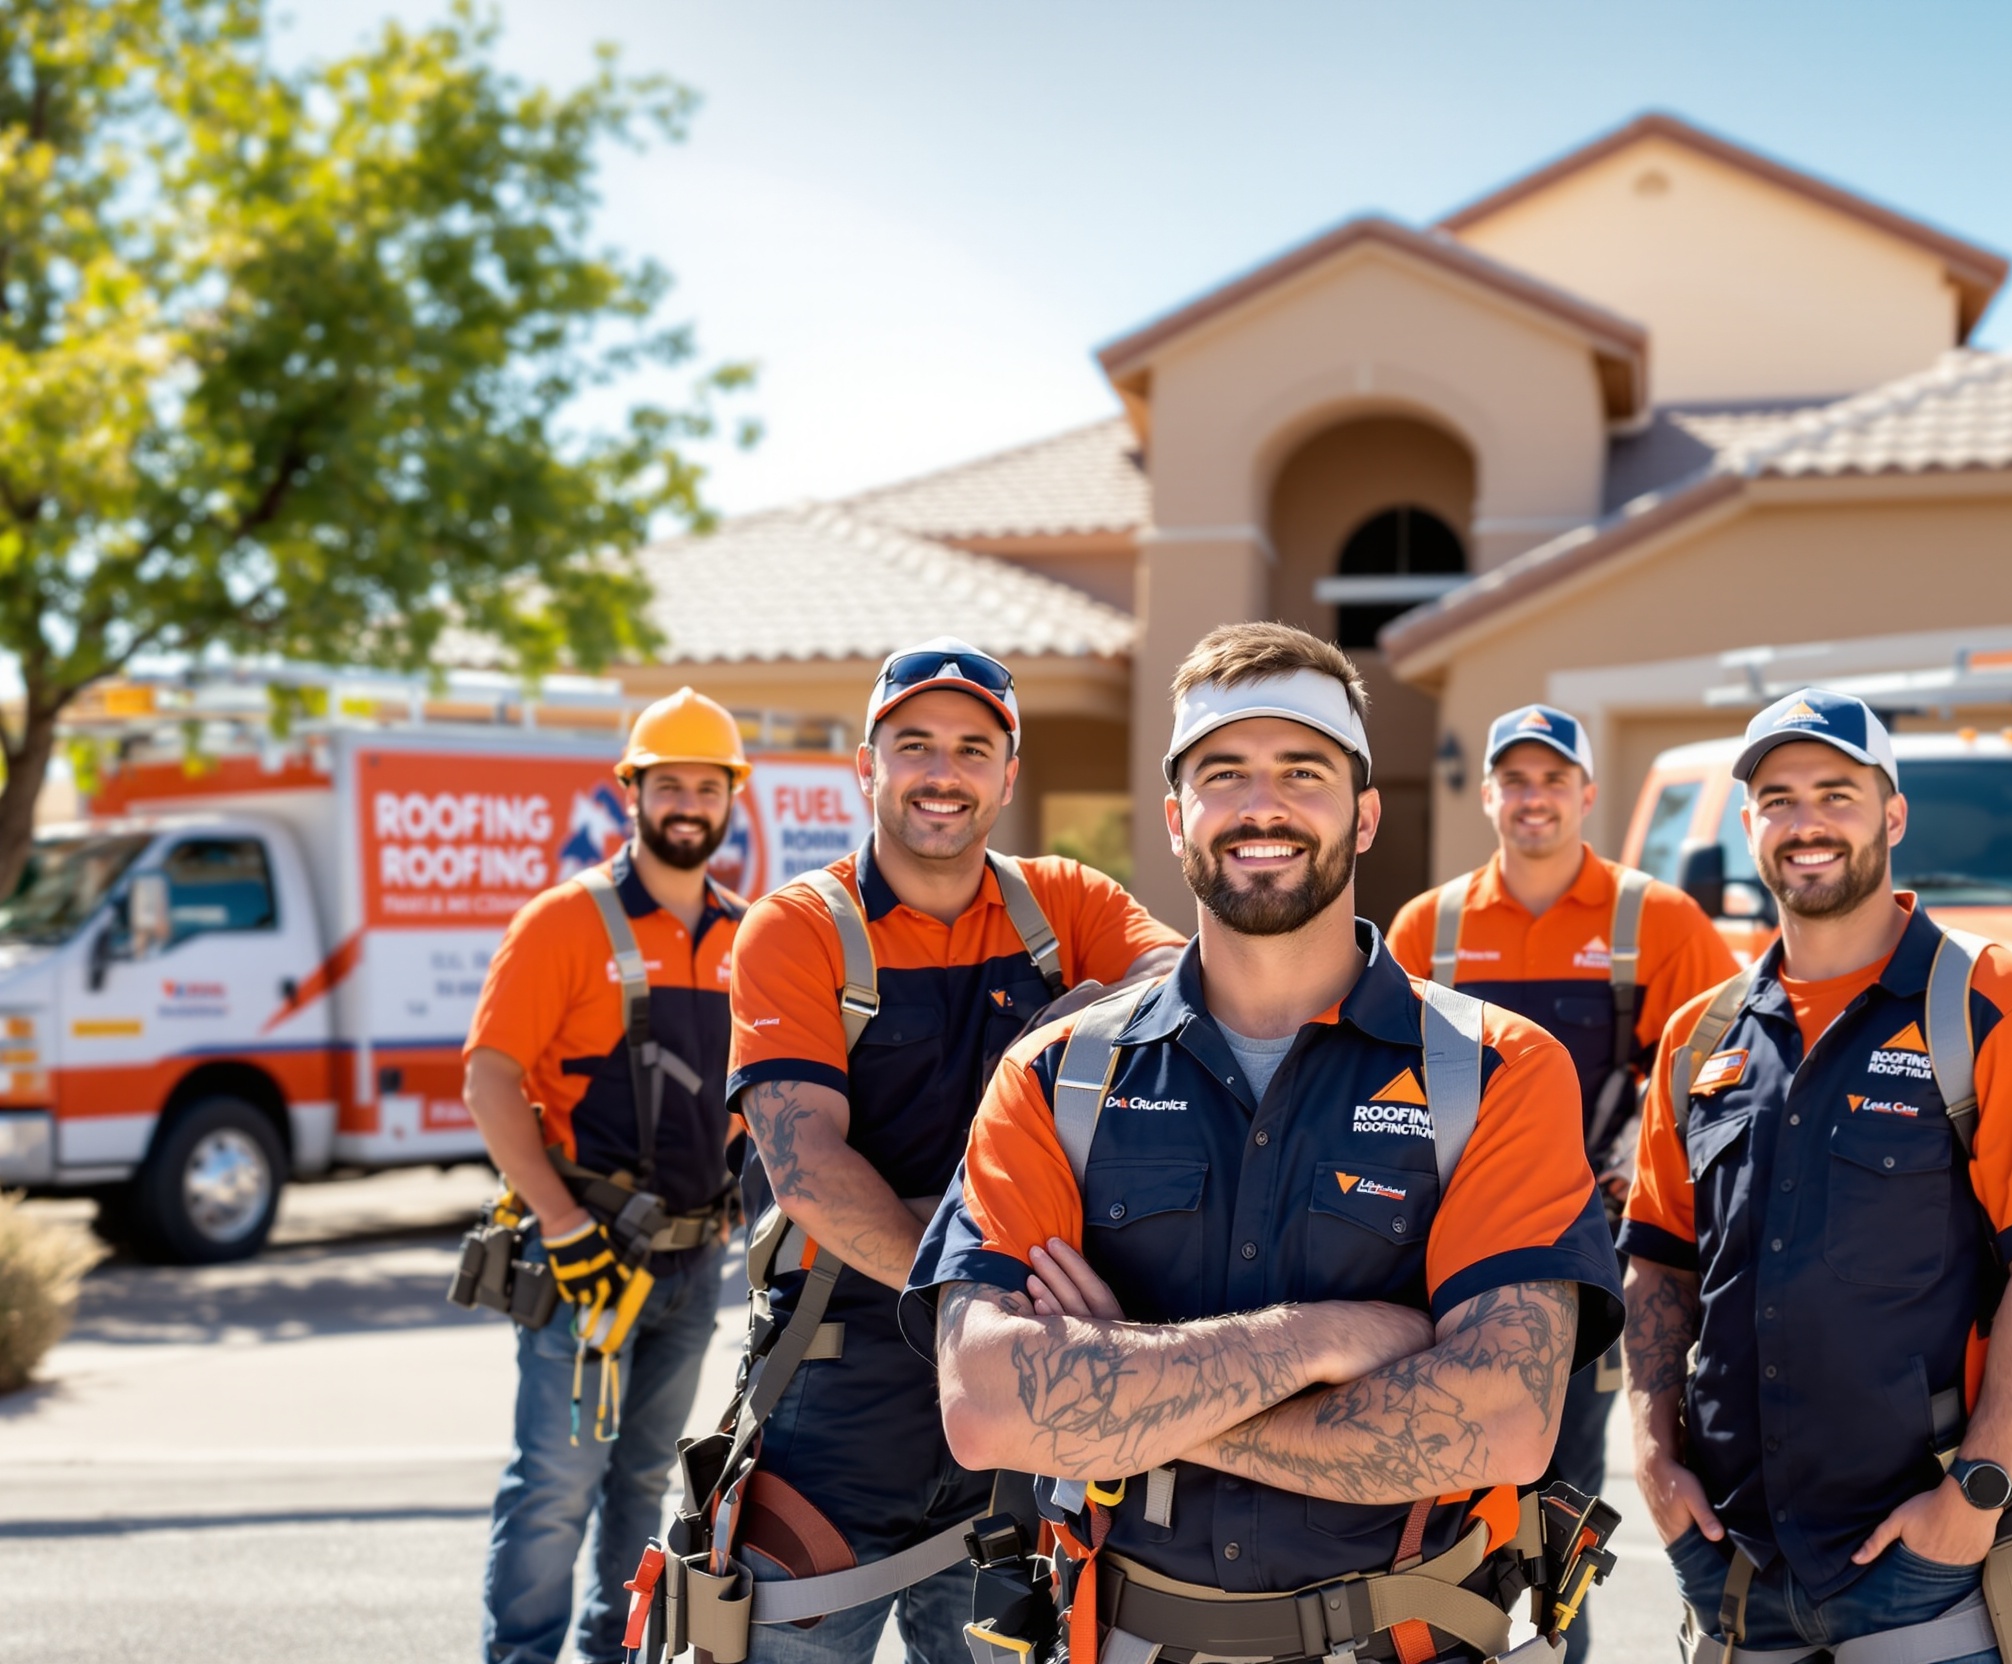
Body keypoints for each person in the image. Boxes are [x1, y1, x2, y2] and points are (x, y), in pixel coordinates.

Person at [911, 623, 1626, 1664]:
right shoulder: (1056, 1073)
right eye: (1224, 772)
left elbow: (1506, 1419)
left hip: (1406, 1642)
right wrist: (1324, 1336)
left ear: (1366, 813)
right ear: (1176, 816)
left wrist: (1121, 1391)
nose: (1263, 803)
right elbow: (984, 1406)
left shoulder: (1498, 1069)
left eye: (1304, 769)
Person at [1618, 688, 2012, 1664]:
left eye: (1836, 793)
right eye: (1778, 798)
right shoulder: (1699, 1037)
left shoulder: (1994, 1003)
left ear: (1893, 814)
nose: (1806, 822)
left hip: (1925, 1551)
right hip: (1734, 1555)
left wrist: (1974, 1492)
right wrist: (1649, 1450)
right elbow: (1660, 1262)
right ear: (1750, 823)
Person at [720, 637, 1185, 1664]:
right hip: (840, 1392)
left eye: (974, 748)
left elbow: (1193, 988)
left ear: (1008, 775)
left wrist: (1074, 1013)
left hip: (1019, 1392)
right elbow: (807, 1169)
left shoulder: (1065, 905)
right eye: (915, 743)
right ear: (868, 764)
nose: (944, 772)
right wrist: (970, 1302)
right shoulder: (797, 928)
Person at [1386, 701, 1736, 1664]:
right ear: (1489, 794)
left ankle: (1552, 1649)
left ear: (1587, 795)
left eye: (1553, 781)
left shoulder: (1657, 923)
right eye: (1516, 780)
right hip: (1439, 1253)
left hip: (1585, 1258)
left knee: (1560, 1489)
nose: (1533, 798)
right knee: (1428, 1481)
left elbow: (1718, 1077)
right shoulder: (1431, 928)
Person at [466, 687, 752, 1664]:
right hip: (585, 1264)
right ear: (631, 790)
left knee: (642, 1485)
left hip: (690, 1266)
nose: (687, 801)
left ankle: (614, 1653)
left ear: (729, 800)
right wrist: (556, 1220)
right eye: (667, 781)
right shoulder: (562, 922)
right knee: (554, 1483)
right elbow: (488, 1075)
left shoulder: (748, 936)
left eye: (706, 785)